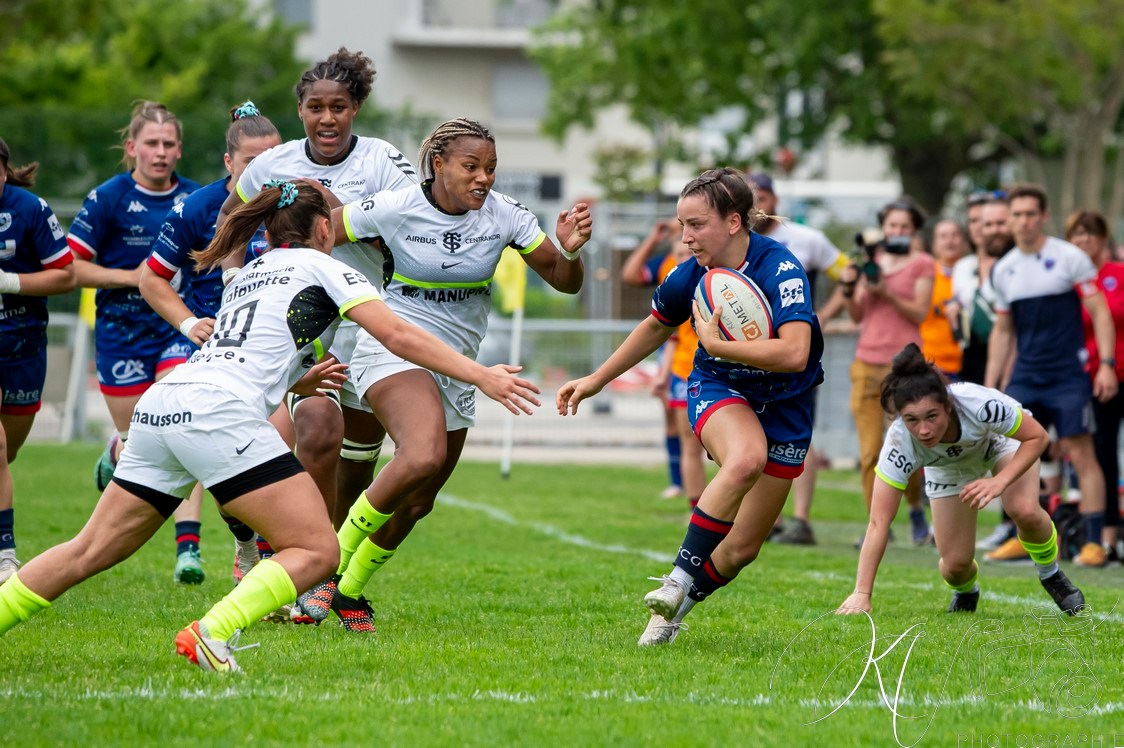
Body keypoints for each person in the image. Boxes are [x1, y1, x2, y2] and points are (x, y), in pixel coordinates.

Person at [0, 181, 541, 672]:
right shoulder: (325, 266)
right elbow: (398, 337)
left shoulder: (249, 275)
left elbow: (252, 352)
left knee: (86, 550)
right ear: (324, 227)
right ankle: (212, 632)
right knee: (317, 551)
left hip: (164, 403)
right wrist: (481, 376)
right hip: (216, 413)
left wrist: (296, 384)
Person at [295, 118, 590, 632]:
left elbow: (565, 282)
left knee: (419, 500)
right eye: (471, 166)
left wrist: (569, 249)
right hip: (393, 350)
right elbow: (321, 236)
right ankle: (326, 565)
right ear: (438, 164)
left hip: (460, 365)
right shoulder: (397, 205)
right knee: (422, 453)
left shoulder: (505, 216)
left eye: (491, 168)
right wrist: (323, 298)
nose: (484, 178)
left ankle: (349, 591)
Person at [557, 167, 823, 646]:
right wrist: (597, 379)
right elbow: (655, 326)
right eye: (682, 225)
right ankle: (677, 580)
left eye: (696, 225)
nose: (686, 237)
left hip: (787, 402)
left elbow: (794, 353)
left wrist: (720, 345)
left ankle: (677, 608)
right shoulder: (690, 275)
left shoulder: (781, 269)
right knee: (745, 459)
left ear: (734, 222)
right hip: (720, 386)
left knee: (742, 548)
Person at [216, 48, 418, 532]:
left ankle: (326, 563)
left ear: (356, 109)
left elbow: (410, 230)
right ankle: (295, 551)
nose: (327, 119)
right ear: (300, 111)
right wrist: (231, 277)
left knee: (357, 467)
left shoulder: (383, 160)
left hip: (371, 322)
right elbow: (231, 218)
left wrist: (339, 211)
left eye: (339, 107)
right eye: (315, 107)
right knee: (319, 430)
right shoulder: (272, 164)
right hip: (304, 322)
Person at [139, 102, 283, 586]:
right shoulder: (199, 208)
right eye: (251, 165)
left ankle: (270, 561)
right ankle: (247, 546)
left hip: (283, 351)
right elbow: (152, 279)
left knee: (276, 450)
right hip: (219, 353)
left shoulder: (296, 205)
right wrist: (188, 324)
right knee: (228, 456)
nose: (265, 176)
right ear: (229, 164)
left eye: (274, 162)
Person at [836, 344, 1085, 616]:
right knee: (954, 566)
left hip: (999, 444)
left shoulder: (978, 405)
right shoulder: (899, 442)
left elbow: (1037, 437)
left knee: (1022, 509)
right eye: (912, 420)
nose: (924, 430)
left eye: (932, 416)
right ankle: (967, 591)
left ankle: (1051, 575)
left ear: (948, 404)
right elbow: (878, 522)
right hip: (948, 469)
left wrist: (1000, 481)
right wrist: (862, 593)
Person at [67, 101, 204, 584]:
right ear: (132, 149)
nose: (161, 152)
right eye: (152, 143)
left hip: (175, 330)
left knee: (181, 425)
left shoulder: (195, 198)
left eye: (169, 144)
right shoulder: (107, 198)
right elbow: (71, 268)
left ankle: (189, 548)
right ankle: (115, 454)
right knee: (140, 440)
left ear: (179, 150)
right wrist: (133, 277)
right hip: (120, 335)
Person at [985, 185, 1116, 568]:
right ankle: (1021, 534)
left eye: (1030, 214)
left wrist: (1105, 364)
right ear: (1009, 220)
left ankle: (1095, 543)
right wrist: (992, 382)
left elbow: (1100, 312)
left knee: (1082, 453)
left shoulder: (1069, 257)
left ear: (1044, 217)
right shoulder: (1004, 268)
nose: (1023, 221)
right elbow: (1004, 330)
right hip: (1027, 374)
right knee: (1014, 451)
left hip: (1068, 375)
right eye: (1017, 214)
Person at [750, 173, 848, 545]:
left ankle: (801, 520)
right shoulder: (736, 244)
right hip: (750, 356)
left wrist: (819, 315)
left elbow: (847, 272)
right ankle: (764, 520)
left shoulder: (805, 240)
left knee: (797, 437)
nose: (758, 203)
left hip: (796, 355)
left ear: (775, 200)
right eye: (751, 197)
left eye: (763, 195)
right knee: (751, 438)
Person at [0, 138, 77, 584]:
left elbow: (66, 274)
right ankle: (5, 554)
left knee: (5, 454)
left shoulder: (29, 208)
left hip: (23, 345)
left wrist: (8, 282)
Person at [839, 198, 935, 547]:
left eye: (904, 227)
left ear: (914, 231)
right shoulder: (871, 262)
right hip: (866, 361)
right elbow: (856, 315)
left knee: (907, 447)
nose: (897, 232)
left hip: (904, 366)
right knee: (869, 452)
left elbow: (919, 313)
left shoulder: (923, 264)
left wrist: (886, 291)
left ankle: (914, 510)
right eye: (892, 226)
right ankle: (877, 527)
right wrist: (850, 287)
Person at [620, 218, 704, 507]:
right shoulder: (671, 274)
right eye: (678, 255)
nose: (684, 258)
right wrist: (663, 372)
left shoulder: (718, 275)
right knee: (683, 435)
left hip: (714, 368)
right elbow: (669, 334)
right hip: (681, 366)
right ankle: (684, 492)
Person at [1066, 210, 1124, 562]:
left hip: (1119, 371)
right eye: (1077, 234)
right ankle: (1107, 537)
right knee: (1101, 455)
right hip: (1091, 379)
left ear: (1103, 238)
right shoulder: (1069, 281)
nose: (1084, 240)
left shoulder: (1118, 275)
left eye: (1089, 233)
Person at [920, 219, 968, 378]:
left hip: (969, 365)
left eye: (955, 235)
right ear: (934, 244)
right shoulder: (925, 276)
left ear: (964, 241)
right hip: (930, 365)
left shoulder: (974, 274)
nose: (950, 241)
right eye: (943, 236)